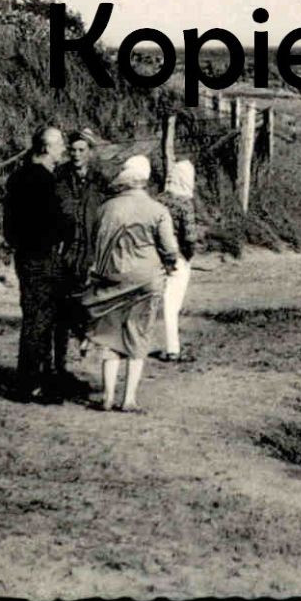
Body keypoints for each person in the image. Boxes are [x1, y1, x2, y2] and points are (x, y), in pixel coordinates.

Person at [75, 156, 180, 412]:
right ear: (144, 181)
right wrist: (169, 264)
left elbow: (95, 243)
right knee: (138, 335)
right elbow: (169, 249)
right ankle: (129, 399)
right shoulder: (157, 210)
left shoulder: (106, 208)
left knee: (110, 336)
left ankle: (108, 396)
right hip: (146, 279)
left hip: (112, 276)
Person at [2, 125, 74, 403]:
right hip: (42, 257)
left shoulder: (17, 177)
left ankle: (31, 381)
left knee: (34, 318)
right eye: (59, 146)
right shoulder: (45, 180)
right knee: (40, 320)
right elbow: (58, 222)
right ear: (46, 148)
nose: (63, 150)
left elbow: (9, 225)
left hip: (25, 255)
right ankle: (31, 384)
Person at [54, 127, 106, 377]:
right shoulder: (59, 177)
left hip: (91, 253)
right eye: (72, 150)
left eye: (81, 150)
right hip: (64, 252)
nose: (75, 155)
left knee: (89, 305)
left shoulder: (100, 180)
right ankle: (59, 366)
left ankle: (87, 344)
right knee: (59, 311)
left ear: (91, 152)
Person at [159, 159, 201, 362]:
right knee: (172, 304)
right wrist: (188, 256)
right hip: (178, 256)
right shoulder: (185, 204)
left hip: (156, 256)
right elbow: (190, 237)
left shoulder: (158, 200)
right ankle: (172, 347)